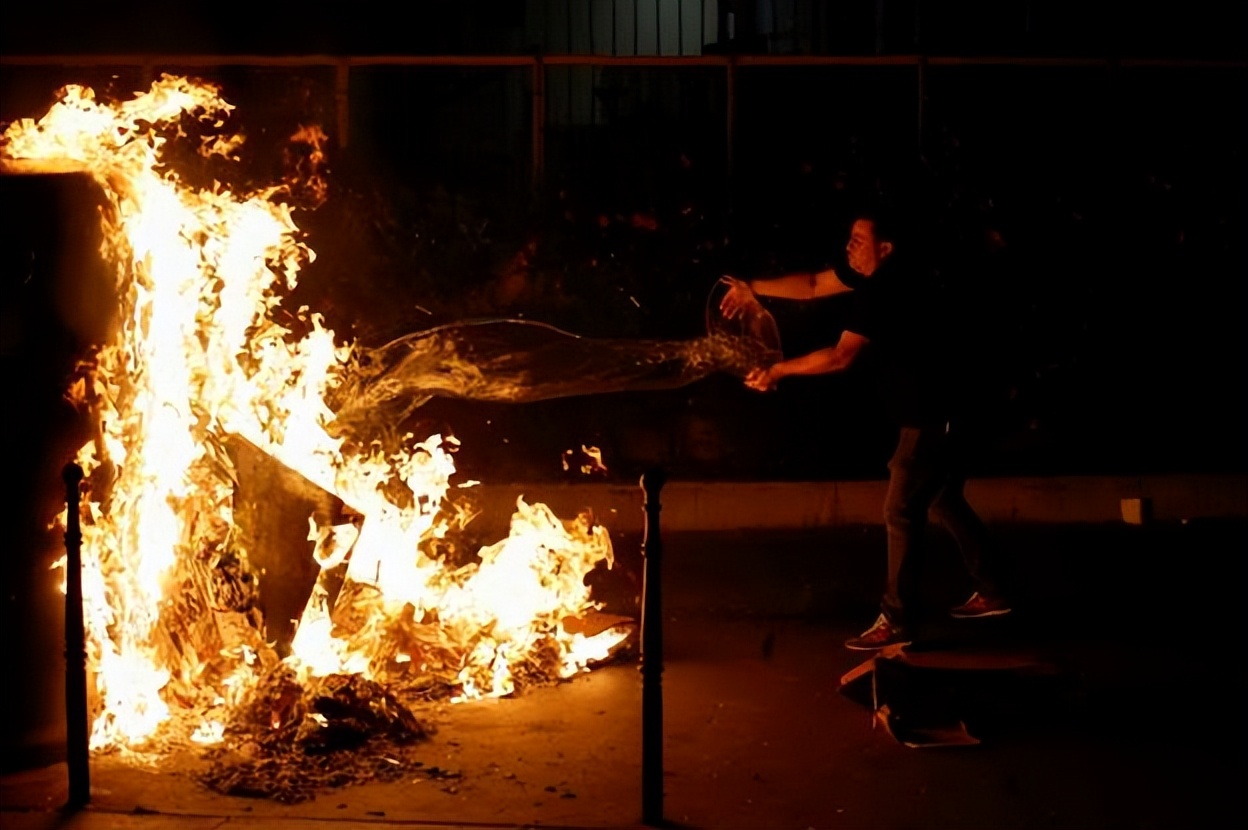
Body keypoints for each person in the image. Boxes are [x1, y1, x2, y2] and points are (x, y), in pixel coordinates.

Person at [719, 207, 1011, 650]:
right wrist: (753, 289)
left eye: (859, 240)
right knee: (943, 497)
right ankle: (994, 589)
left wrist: (779, 371)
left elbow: (840, 356)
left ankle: (897, 620)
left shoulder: (888, 288)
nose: (848, 247)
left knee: (900, 509)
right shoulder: (877, 275)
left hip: (935, 416)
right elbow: (815, 284)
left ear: (886, 248)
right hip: (946, 410)